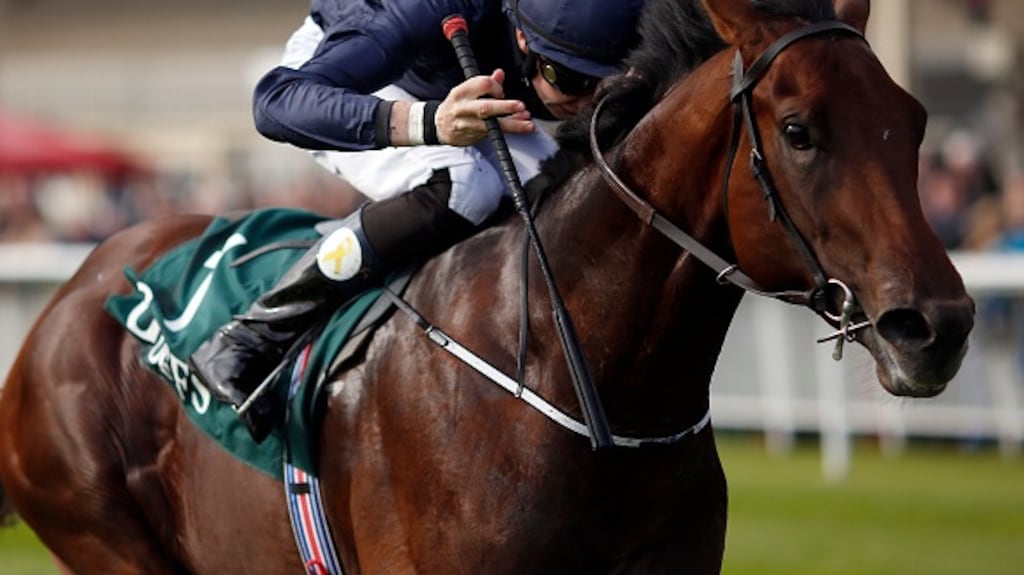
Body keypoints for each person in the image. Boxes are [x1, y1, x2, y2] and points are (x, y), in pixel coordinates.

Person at [190, 0, 646, 440]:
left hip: (467, 84)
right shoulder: (420, 8)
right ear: (524, 39)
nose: (587, 101)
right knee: (468, 184)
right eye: (566, 78)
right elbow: (276, 101)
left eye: (605, 83)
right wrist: (430, 123)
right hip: (355, 80)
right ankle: (251, 337)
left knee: (562, 204)